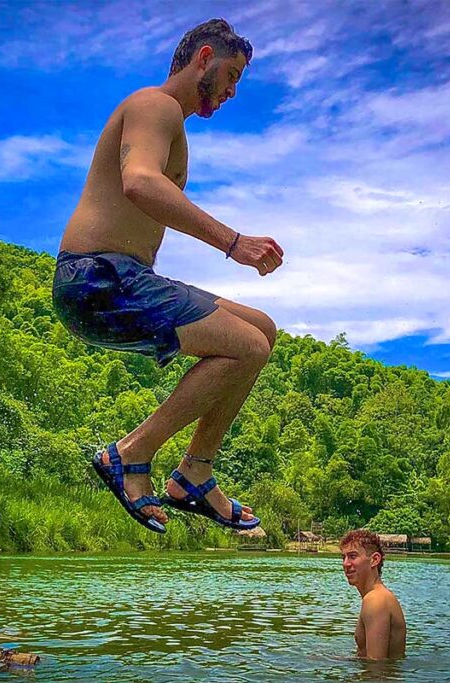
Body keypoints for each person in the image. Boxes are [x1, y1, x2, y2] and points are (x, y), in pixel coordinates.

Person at [53, 18, 283, 534]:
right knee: (247, 346)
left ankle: (194, 472)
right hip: (98, 278)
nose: (232, 91)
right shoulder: (155, 105)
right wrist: (233, 242)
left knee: (262, 330)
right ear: (204, 57)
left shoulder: (171, 123)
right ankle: (130, 455)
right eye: (232, 75)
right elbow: (139, 182)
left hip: (121, 276)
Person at [340, 529, 406, 660]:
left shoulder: (376, 600)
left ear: (374, 560)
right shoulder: (378, 596)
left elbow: (376, 667)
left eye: (353, 556)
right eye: (344, 557)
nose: (345, 564)